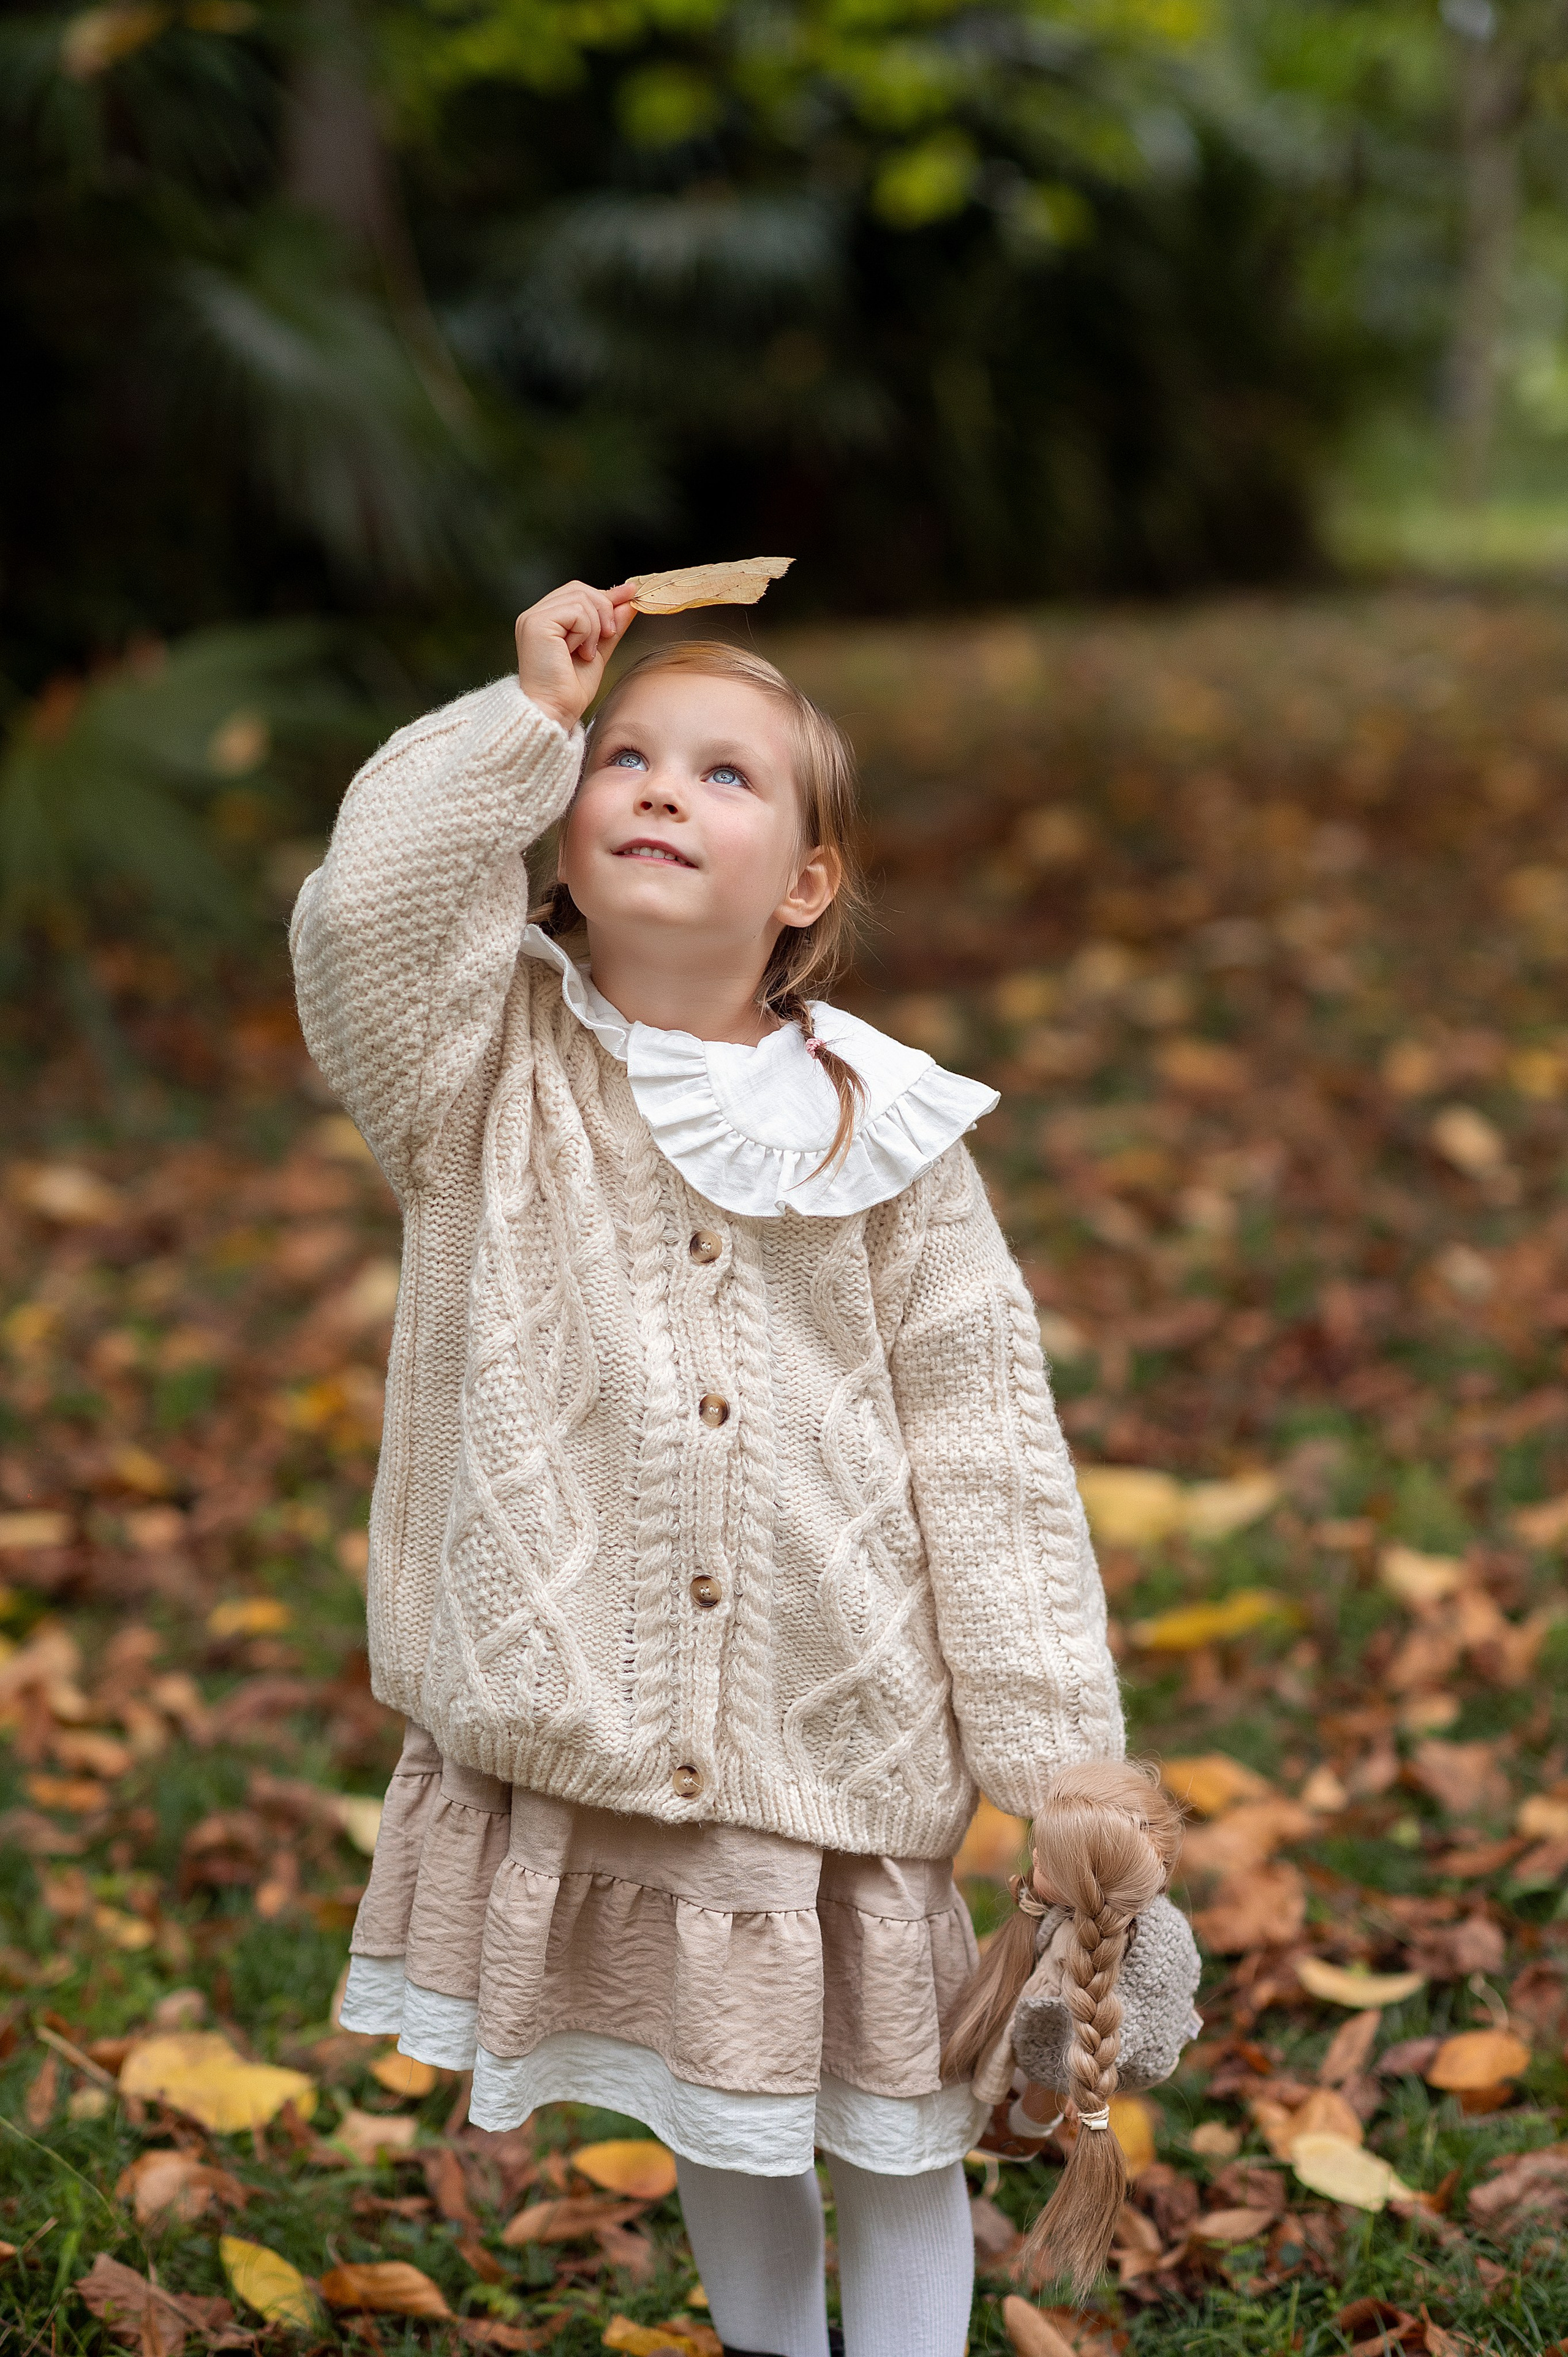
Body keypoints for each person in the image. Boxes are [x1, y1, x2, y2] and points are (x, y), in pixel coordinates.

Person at [290, 579, 1132, 2357]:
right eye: (627, 763)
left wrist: (1057, 1762)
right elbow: (370, 910)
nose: (663, 790)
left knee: (894, 2137)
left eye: (727, 776)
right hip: (602, 1701)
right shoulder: (477, 1067)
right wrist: (524, 718)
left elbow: (987, 1449)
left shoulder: (884, 1132)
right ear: (564, 827)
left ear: (807, 881)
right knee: (728, 2108)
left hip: (846, 1729)